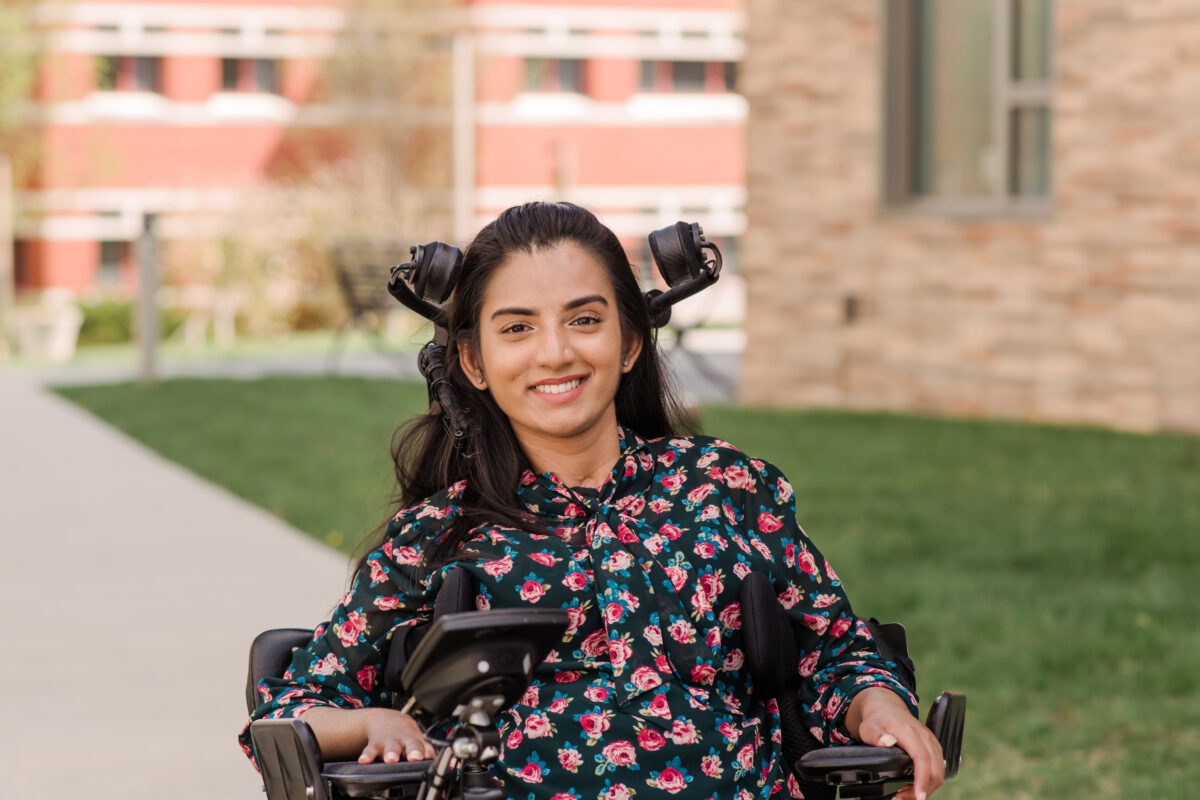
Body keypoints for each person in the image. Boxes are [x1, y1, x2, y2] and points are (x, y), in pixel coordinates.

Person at [241, 202, 944, 800]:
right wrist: (371, 722)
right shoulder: (438, 537)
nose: (554, 354)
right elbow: (285, 711)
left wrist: (875, 706)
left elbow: (842, 652)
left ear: (631, 340)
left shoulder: (725, 490)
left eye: (584, 320)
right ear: (474, 361)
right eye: (517, 328)